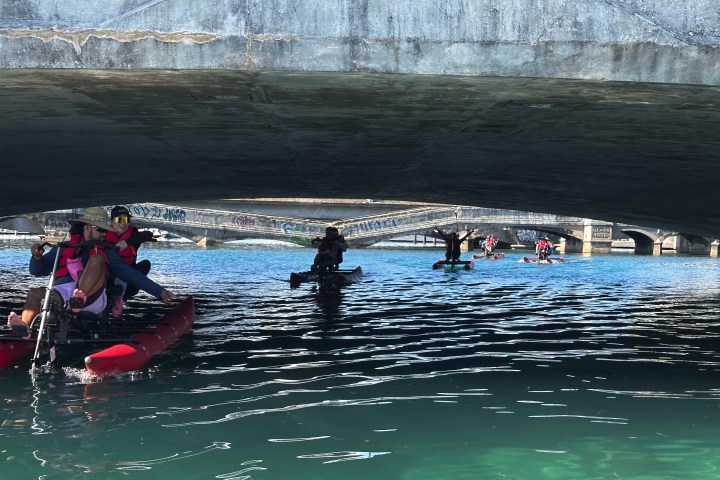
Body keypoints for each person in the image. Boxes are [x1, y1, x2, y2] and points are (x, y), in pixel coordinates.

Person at [7, 207, 176, 335]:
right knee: (35, 293)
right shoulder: (63, 247)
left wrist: (159, 291)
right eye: (101, 229)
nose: (104, 234)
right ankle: (25, 328)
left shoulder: (106, 251)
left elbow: (129, 273)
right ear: (87, 228)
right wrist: (36, 257)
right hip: (63, 295)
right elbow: (36, 271)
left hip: (92, 297)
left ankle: (76, 300)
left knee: (97, 259)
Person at [105, 205, 156, 317]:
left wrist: (126, 242)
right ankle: (110, 298)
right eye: (119, 220)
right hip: (108, 278)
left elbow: (148, 234)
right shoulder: (103, 233)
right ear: (112, 222)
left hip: (128, 279)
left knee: (146, 264)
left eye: (126, 219)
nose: (123, 223)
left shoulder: (133, 234)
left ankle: (121, 295)